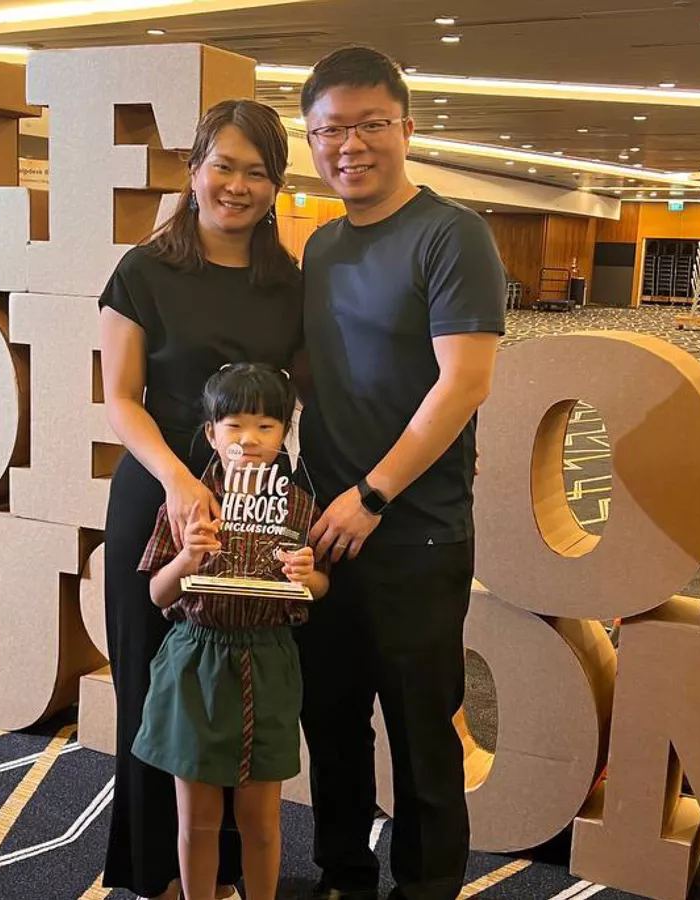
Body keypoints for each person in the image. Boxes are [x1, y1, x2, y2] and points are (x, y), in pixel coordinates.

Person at [293, 46, 506, 900]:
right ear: (312, 140)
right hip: (324, 528)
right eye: (330, 130)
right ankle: (344, 874)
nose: (350, 145)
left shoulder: (452, 235)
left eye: (370, 124)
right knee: (330, 721)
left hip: (415, 533)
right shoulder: (321, 246)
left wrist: (374, 493)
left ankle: (425, 887)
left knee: (422, 736)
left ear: (407, 128)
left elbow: (465, 382)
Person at [98, 100, 303, 900]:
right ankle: (157, 869)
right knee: (152, 687)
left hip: (255, 504)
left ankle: (234, 871)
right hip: (157, 495)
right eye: (223, 165)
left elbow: (310, 395)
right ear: (193, 170)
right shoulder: (144, 270)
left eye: (257, 172)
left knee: (240, 678)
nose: (237, 185)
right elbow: (121, 398)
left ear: (276, 186)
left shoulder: (286, 282)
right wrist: (179, 481)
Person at [133, 362, 331, 900]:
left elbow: (319, 588)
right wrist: (187, 559)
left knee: (261, 820)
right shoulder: (190, 502)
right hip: (195, 660)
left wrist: (307, 575)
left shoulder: (297, 504)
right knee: (197, 819)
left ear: (284, 434)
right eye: (235, 425)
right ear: (211, 434)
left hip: (268, 661)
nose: (250, 438)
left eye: (266, 425)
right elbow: (157, 594)